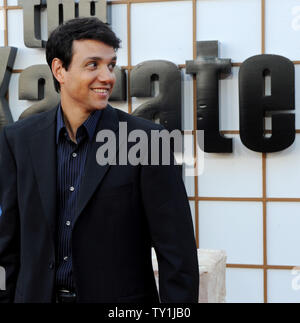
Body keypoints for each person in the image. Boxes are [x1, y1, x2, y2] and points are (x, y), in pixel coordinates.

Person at [0, 17, 199, 303]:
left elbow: (177, 255)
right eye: (93, 65)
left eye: (111, 65)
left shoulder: (147, 140)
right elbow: (7, 246)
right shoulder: (18, 140)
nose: (107, 77)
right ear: (60, 70)